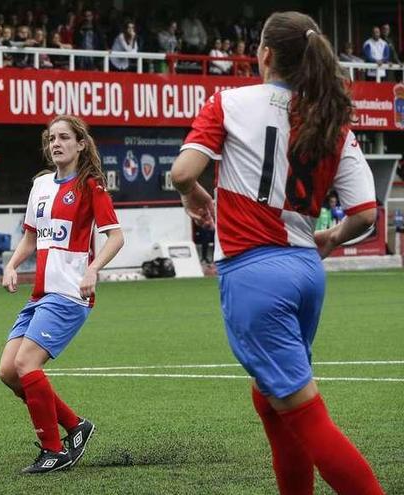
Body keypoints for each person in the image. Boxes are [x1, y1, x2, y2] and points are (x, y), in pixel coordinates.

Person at [171, 12, 384, 494]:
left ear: (264, 54)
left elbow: (184, 172)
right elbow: (366, 215)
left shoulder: (228, 102)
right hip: (306, 270)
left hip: (254, 272)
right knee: (271, 400)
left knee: (306, 416)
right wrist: (330, 238)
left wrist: (194, 196)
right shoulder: (333, 119)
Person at [0, 115, 124, 474]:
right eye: (52, 138)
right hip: (40, 294)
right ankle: (75, 426)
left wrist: (93, 268)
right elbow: (30, 237)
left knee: (26, 365)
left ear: (80, 144)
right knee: (9, 372)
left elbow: (116, 236)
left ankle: (54, 452)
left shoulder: (91, 186)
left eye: (64, 137)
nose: (56, 143)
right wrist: (11, 265)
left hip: (69, 293)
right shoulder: (40, 186)